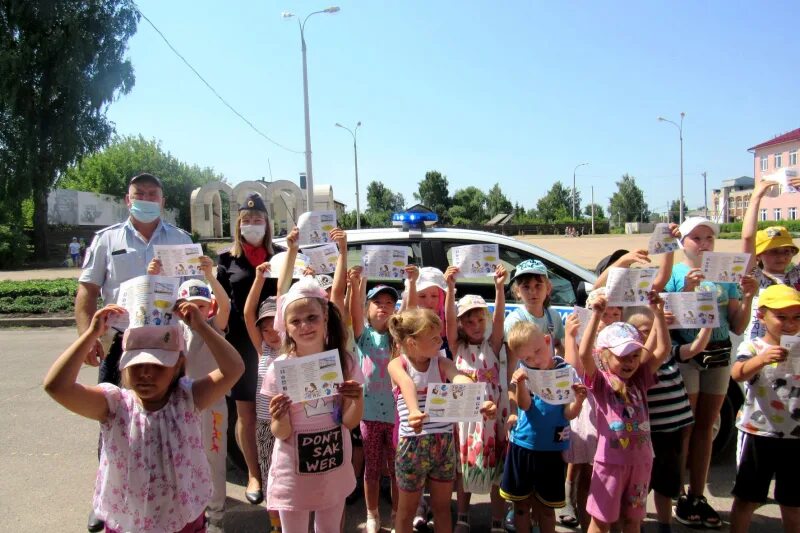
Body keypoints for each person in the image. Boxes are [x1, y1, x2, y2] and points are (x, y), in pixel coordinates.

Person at [43, 302, 244, 533]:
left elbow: (234, 369)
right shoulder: (114, 404)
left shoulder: (188, 398)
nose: (146, 373)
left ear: (178, 365)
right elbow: (56, 386)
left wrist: (201, 327)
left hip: (182, 519)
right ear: (123, 365)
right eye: (136, 365)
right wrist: (91, 334)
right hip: (127, 520)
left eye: (158, 365)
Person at [75, 172, 193, 532]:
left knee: (174, 416)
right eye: (138, 193)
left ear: (162, 200)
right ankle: (107, 498)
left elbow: (195, 288)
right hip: (121, 344)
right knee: (111, 419)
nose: (145, 197)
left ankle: (174, 488)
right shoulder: (106, 240)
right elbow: (87, 293)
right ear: (128, 200)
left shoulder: (180, 240)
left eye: (152, 193)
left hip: (167, 347)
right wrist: (87, 338)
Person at [665, 217, 757, 528]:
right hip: (687, 356)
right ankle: (676, 493)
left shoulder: (724, 274)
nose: (704, 244)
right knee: (686, 427)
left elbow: (738, 325)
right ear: (683, 242)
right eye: (696, 238)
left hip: (718, 355)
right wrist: (686, 293)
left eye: (709, 238)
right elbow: (665, 323)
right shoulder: (675, 273)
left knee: (707, 425)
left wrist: (749, 296)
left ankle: (697, 494)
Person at [263, 277, 365, 533]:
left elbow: (350, 422)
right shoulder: (278, 370)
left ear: (325, 318)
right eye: (295, 321)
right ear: (285, 327)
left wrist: (356, 398)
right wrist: (280, 415)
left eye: (312, 318)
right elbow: (280, 432)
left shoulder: (345, 363)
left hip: (333, 465)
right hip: (293, 472)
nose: (305, 326)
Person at [387, 308, 496, 533]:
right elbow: (406, 384)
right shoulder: (398, 364)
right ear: (412, 342)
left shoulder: (441, 362)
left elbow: (459, 378)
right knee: (406, 511)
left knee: (443, 507)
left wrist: (479, 400)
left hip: (443, 445)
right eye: (434, 338)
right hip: (412, 444)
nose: (440, 341)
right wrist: (414, 410)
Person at [577, 292, 671, 533]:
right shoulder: (602, 382)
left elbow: (663, 349)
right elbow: (584, 354)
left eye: (634, 356)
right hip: (610, 464)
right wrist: (596, 314)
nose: (629, 362)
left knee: (633, 521)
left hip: (641, 464)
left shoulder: (639, 380)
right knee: (601, 521)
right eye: (622, 357)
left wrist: (658, 314)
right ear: (605, 356)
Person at [216, 192, 282, 504]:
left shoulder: (281, 256)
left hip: (276, 345)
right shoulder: (226, 261)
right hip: (242, 345)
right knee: (246, 413)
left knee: (279, 410)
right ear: (238, 225)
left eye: (258, 220)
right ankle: (254, 473)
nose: (252, 224)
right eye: (247, 220)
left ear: (267, 224)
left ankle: (277, 470)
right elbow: (218, 303)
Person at [626, 305, 709, 533]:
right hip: (651, 432)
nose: (649, 333)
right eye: (643, 330)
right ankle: (639, 524)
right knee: (643, 486)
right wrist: (659, 321)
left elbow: (694, 349)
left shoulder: (670, 352)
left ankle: (665, 525)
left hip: (675, 428)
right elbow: (652, 350)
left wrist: (707, 326)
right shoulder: (638, 362)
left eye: (650, 329)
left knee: (668, 485)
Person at [500, 321, 587, 533]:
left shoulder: (566, 371)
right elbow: (525, 406)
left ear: (547, 341)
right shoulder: (524, 371)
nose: (534, 360)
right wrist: (520, 384)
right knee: (521, 506)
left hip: (552, 450)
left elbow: (569, 413)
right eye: (527, 358)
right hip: (524, 445)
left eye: (538, 351)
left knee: (547, 510)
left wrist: (579, 400)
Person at [729, 284, 800, 533]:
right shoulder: (753, 347)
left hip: (795, 435)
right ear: (762, 315)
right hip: (759, 432)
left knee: (792, 502)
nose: (790, 324)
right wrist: (761, 359)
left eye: (796, 317)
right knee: (748, 497)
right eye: (781, 317)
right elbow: (737, 373)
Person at [444, 265, 509, 533]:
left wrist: (499, 287)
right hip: (464, 417)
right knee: (463, 467)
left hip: (492, 419)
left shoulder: (492, 346)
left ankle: (497, 519)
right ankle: (462, 515)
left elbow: (501, 319)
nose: (475, 325)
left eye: (480, 320)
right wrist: (449, 288)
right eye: (468, 321)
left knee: (495, 470)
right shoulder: (457, 347)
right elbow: (447, 321)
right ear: (461, 324)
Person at [173, 269, 231, 532]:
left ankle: (216, 514)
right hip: (181, 406)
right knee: (184, 458)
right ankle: (190, 509)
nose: (195, 311)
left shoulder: (214, 326)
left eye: (202, 305)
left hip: (213, 405)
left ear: (210, 307)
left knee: (213, 458)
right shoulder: (174, 329)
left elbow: (226, 304)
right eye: (190, 306)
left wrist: (210, 275)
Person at [350, 274, 401, 533]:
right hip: (368, 414)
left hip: (395, 416)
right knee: (371, 470)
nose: (383, 306)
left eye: (389, 302)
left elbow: (410, 307)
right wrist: (358, 284)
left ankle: (396, 514)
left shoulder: (398, 337)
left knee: (396, 470)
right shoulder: (363, 335)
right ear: (367, 308)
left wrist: (411, 285)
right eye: (377, 302)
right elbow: (354, 313)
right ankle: (372, 515)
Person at [741, 176, 800, 338]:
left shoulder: (796, 276)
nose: (782, 256)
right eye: (774, 251)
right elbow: (747, 238)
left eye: (787, 251)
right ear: (758, 255)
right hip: (761, 347)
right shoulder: (755, 277)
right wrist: (756, 198)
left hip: (794, 346)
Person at [504, 259, 565, 355]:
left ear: (548, 288)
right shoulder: (514, 321)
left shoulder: (553, 316)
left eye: (538, 286)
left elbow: (557, 345)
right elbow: (511, 361)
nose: (532, 292)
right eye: (526, 287)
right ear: (517, 291)